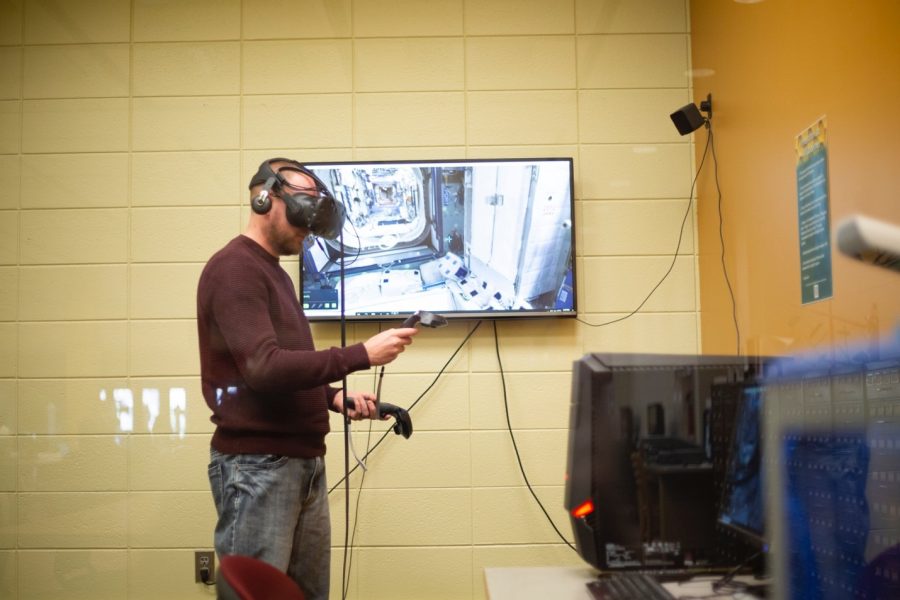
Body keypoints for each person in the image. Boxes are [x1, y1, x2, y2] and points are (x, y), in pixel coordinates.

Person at [196, 158, 418, 599]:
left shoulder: (274, 273)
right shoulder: (235, 269)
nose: (309, 225)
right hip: (259, 468)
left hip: (300, 464)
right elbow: (262, 368)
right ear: (263, 198)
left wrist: (332, 398)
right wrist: (361, 355)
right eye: (302, 204)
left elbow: (284, 367)